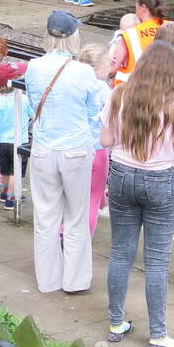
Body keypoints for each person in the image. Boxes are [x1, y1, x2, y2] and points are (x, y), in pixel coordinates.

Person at [100, 40, 174, 347]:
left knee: (120, 253)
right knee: (156, 260)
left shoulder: (119, 94)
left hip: (122, 176)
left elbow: (106, 139)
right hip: (160, 183)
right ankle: (158, 336)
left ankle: (116, 324)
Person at [24, 10, 104, 295]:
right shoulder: (83, 71)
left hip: (44, 148)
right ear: (73, 37)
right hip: (76, 150)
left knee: (45, 217)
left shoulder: (32, 67)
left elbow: (35, 105)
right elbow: (93, 113)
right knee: (76, 216)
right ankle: (75, 280)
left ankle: (48, 280)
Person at [77, 43, 114, 235]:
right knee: (91, 199)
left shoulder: (75, 85)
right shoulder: (104, 90)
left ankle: (61, 231)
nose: (110, 68)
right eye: (108, 64)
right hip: (98, 151)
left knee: (73, 199)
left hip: (75, 148)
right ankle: (83, 243)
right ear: (99, 68)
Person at [109, 0, 173, 85]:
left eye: (136, 5)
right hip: (160, 91)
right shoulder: (173, 30)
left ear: (143, 8)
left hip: (128, 92)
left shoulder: (129, 34)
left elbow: (111, 70)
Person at [0, 77, 31, 210]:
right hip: (19, 141)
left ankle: (4, 192)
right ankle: (11, 198)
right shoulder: (24, 99)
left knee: (5, 170)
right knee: (15, 172)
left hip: (3, 141)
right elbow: (35, 114)